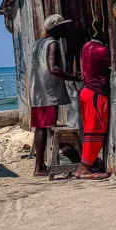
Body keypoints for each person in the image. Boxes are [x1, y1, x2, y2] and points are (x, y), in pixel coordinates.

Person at [30, 14, 80, 177]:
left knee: (40, 128)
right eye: (63, 26)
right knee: (47, 129)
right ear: (56, 28)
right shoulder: (52, 44)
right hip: (47, 92)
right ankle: (42, 167)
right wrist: (73, 77)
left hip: (36, 91)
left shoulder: (38, 44)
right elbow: (53, 69)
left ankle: (39, 165)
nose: (65, 28)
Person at [77, 37, 111, 179]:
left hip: (86, 92)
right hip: (96, 94)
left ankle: (83, 167)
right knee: (95, 132)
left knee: (89, 132)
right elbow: (112, 65)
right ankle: (85, 168)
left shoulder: (86, 46)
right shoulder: (103, 50)